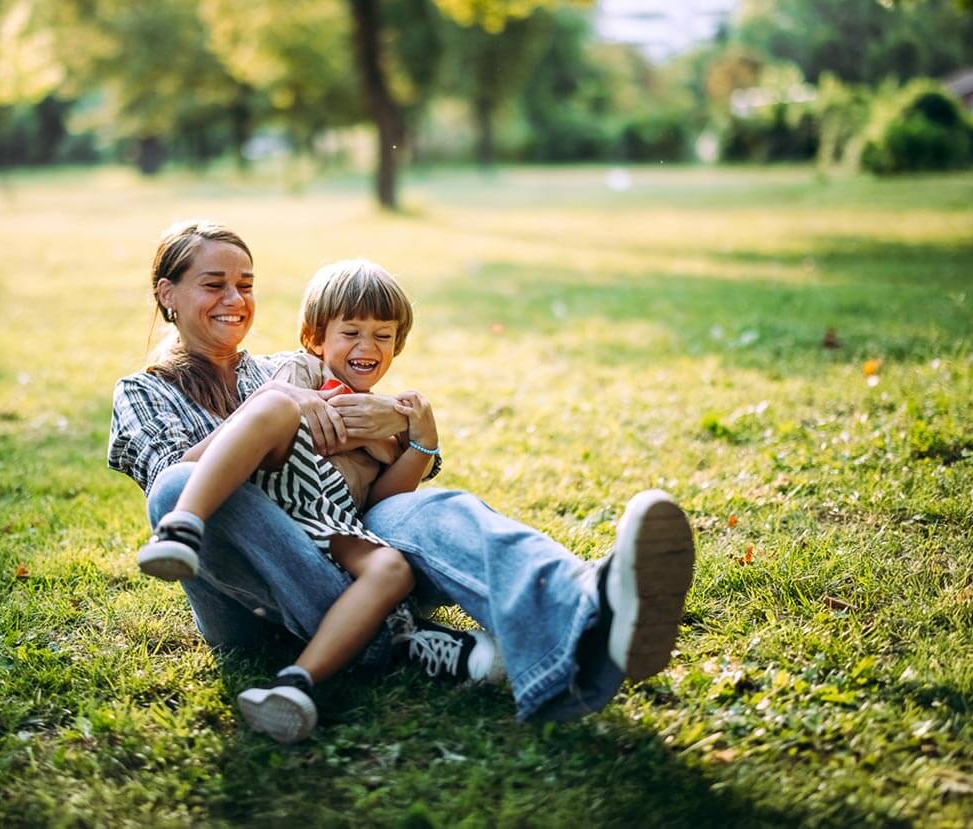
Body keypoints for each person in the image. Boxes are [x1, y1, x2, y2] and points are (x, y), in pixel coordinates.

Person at [106, 219, 693, 730]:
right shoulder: (145, 391)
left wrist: (412, 431)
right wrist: (280, 409)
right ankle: (395, 640)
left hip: (341, 543)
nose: (235, 298)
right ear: (168, 295)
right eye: (215, 284)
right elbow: (168, 475)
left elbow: (364, 471)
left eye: (246, 285)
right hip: (252, 593)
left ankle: (590, 614)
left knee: (434, 510)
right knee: (182, 489)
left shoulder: (287, 368)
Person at [135, 258, 502, 743]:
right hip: (278, 508)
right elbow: (269, 407)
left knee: (393, 568)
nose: (367, 347)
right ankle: (183, 526)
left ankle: (298, 683)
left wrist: (417, 443)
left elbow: (381, 501)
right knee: (272, 405)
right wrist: (348, 419)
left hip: (330, 518)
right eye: (351, 332)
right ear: (316, 338)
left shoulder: (382, 418)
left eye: (383, 336)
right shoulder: (301, 369)